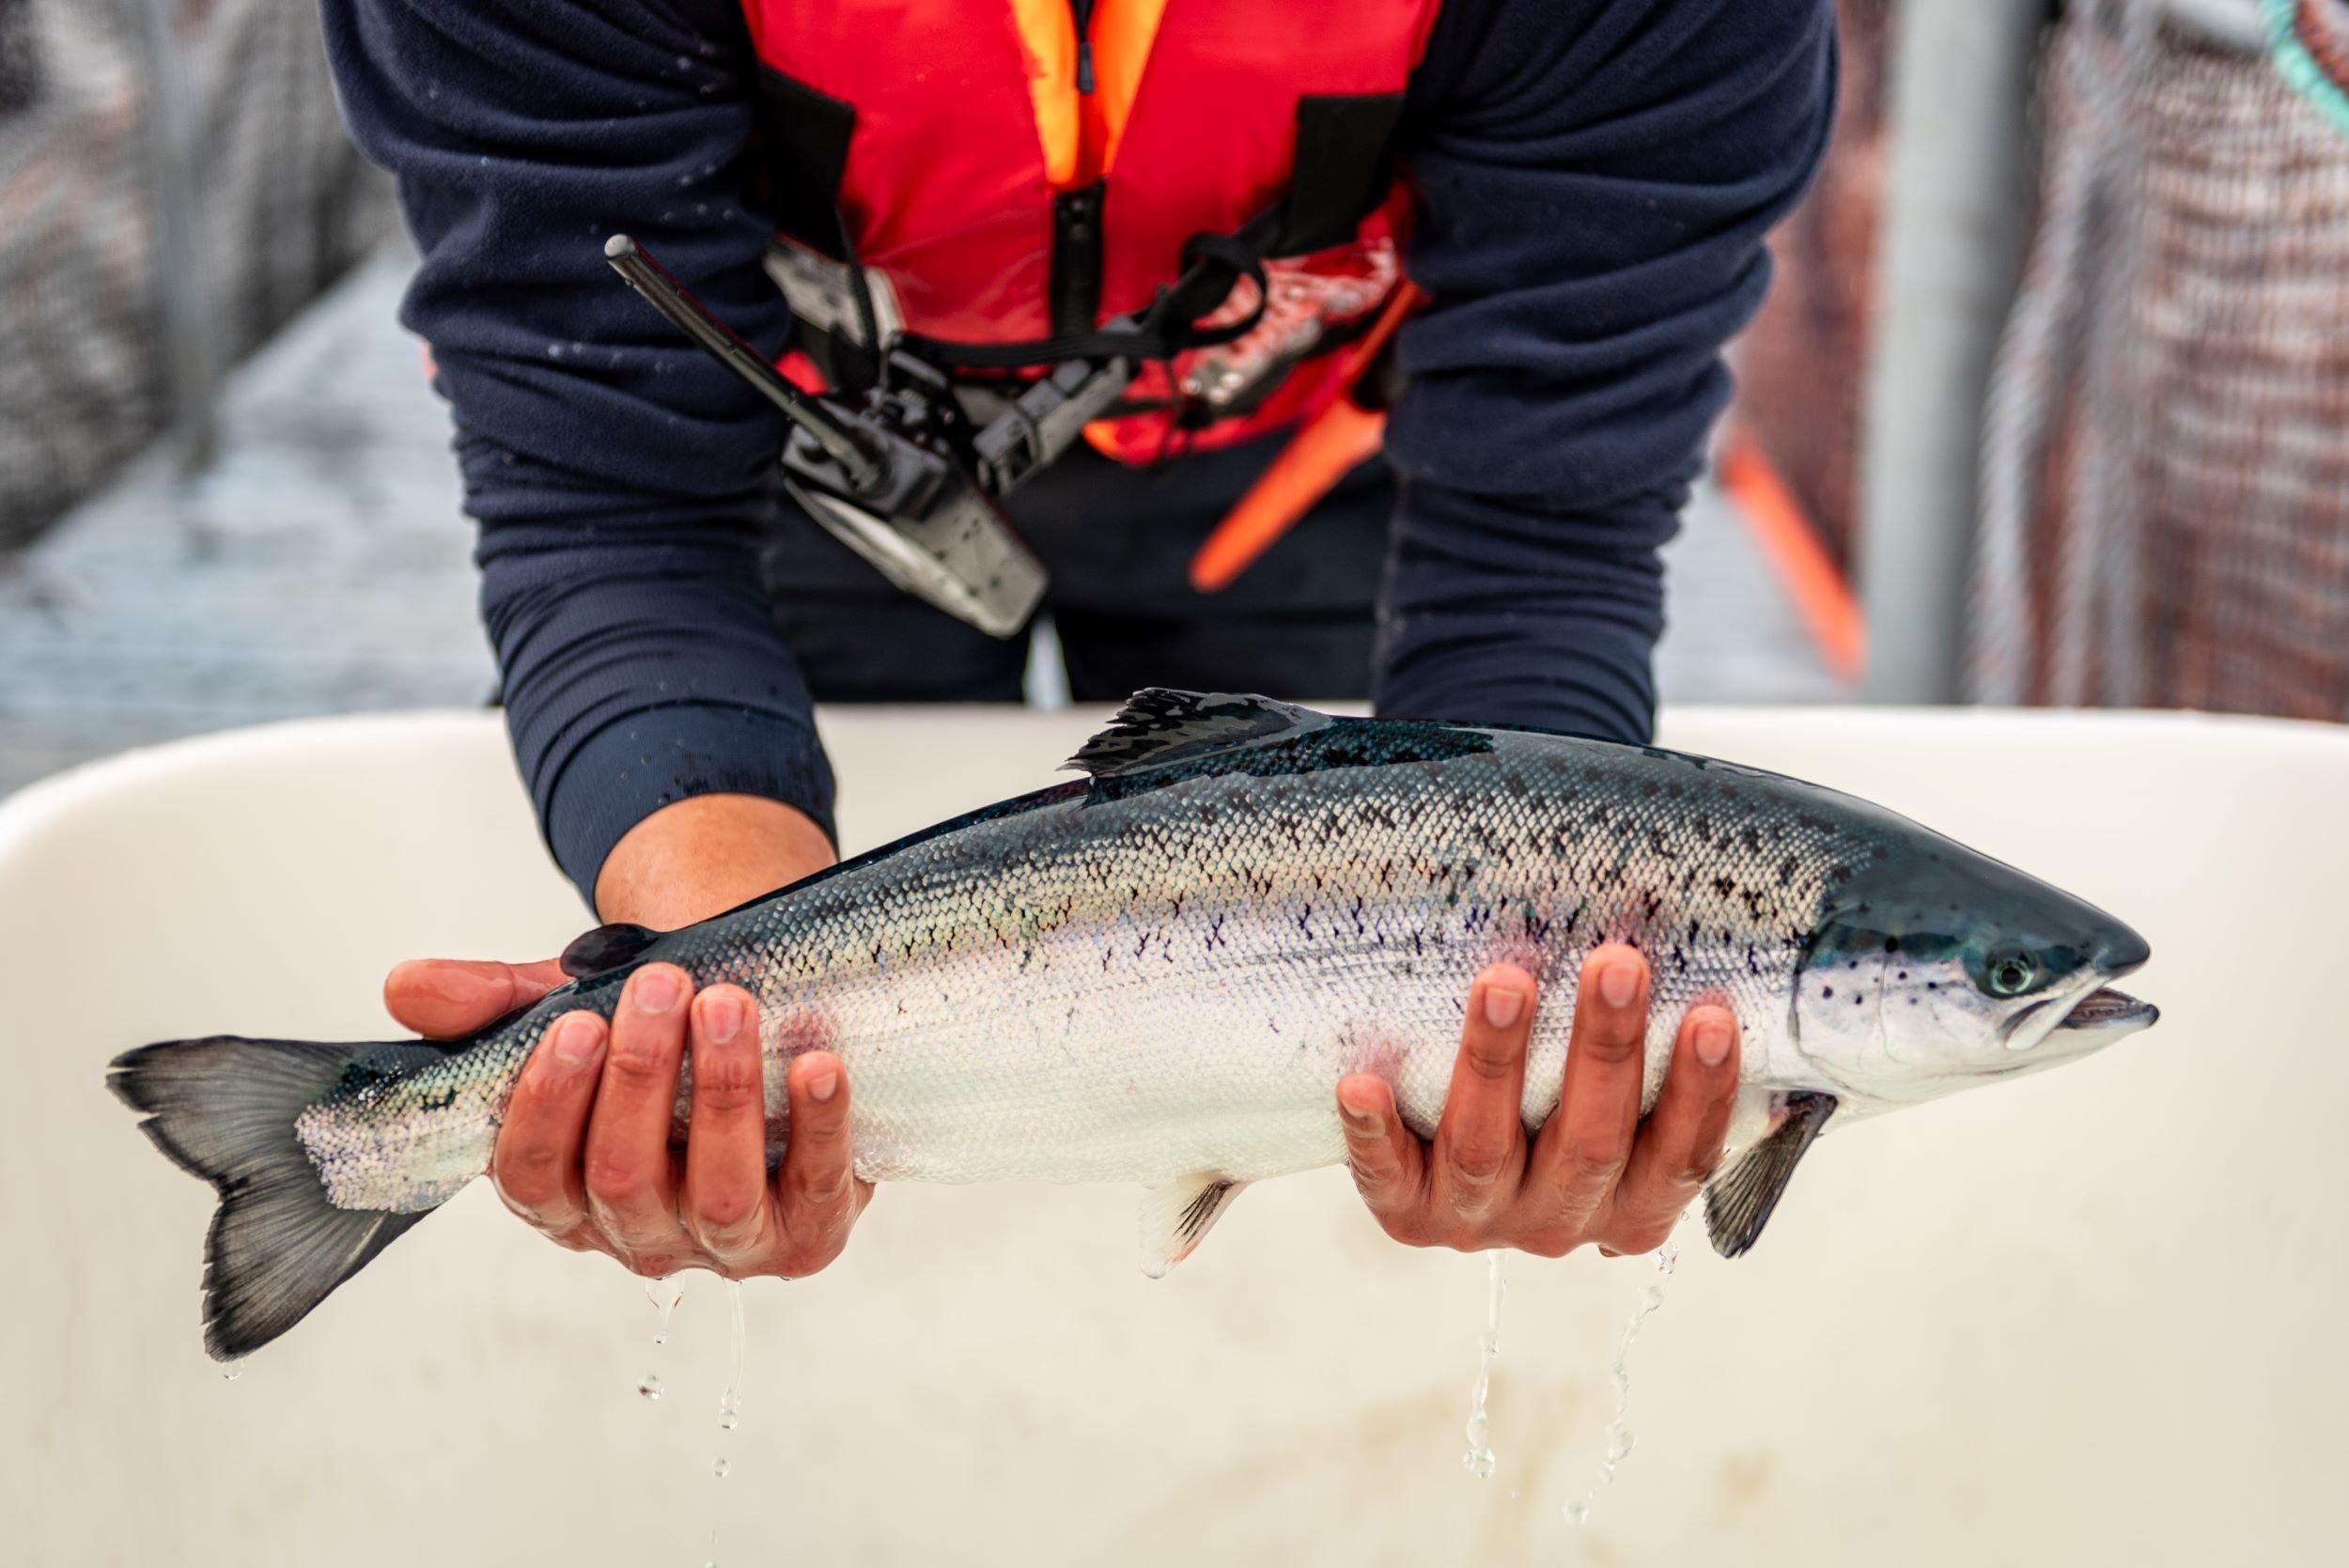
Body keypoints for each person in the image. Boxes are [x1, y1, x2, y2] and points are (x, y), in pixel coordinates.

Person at [320, 0, 1836, 1283]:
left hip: (1319, 475)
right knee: (766, 1091)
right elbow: (613, 501)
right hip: (795, 453)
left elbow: (1536, 550)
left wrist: (1551, 1021)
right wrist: (710, 1016)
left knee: (1387, 1088)